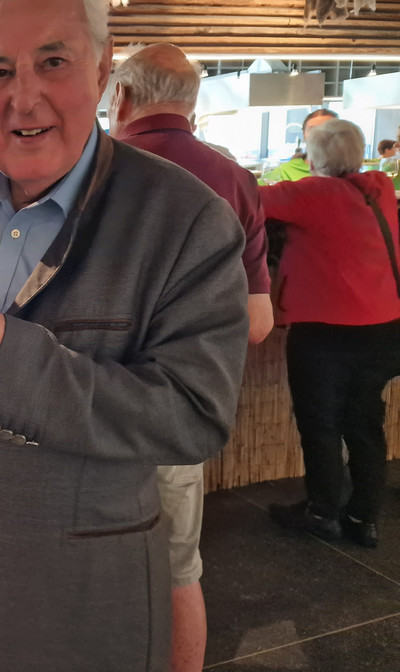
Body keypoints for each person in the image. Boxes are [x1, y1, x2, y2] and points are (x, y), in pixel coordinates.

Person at [0, 0, 249, 671]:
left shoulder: (184, 219)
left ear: (102, 67)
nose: (23, 98)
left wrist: (10, 359)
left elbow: (195, 416)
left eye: (52, 62)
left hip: (79, 613)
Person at [109, 42, 274, 672]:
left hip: (80, 402)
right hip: (177, 409)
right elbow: (257, 324)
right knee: (178, 569)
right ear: (192, 103)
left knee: (76, 566)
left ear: (121, 96)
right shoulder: (234, 180)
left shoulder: (90, 169)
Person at [262, 119, 400, 550]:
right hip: (383, 327)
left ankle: (322, 512)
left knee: (320, 422)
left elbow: (242, 198)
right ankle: (364, 517)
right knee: (365, 422)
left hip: (325, 332)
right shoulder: (379, 187)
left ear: (313, 157)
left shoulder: (310, 193)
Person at [259, 108, 337, 185]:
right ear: (304, 135)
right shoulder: (284, 172)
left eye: (328, 130)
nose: (320, 135)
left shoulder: (343, 173)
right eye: (313, 130)